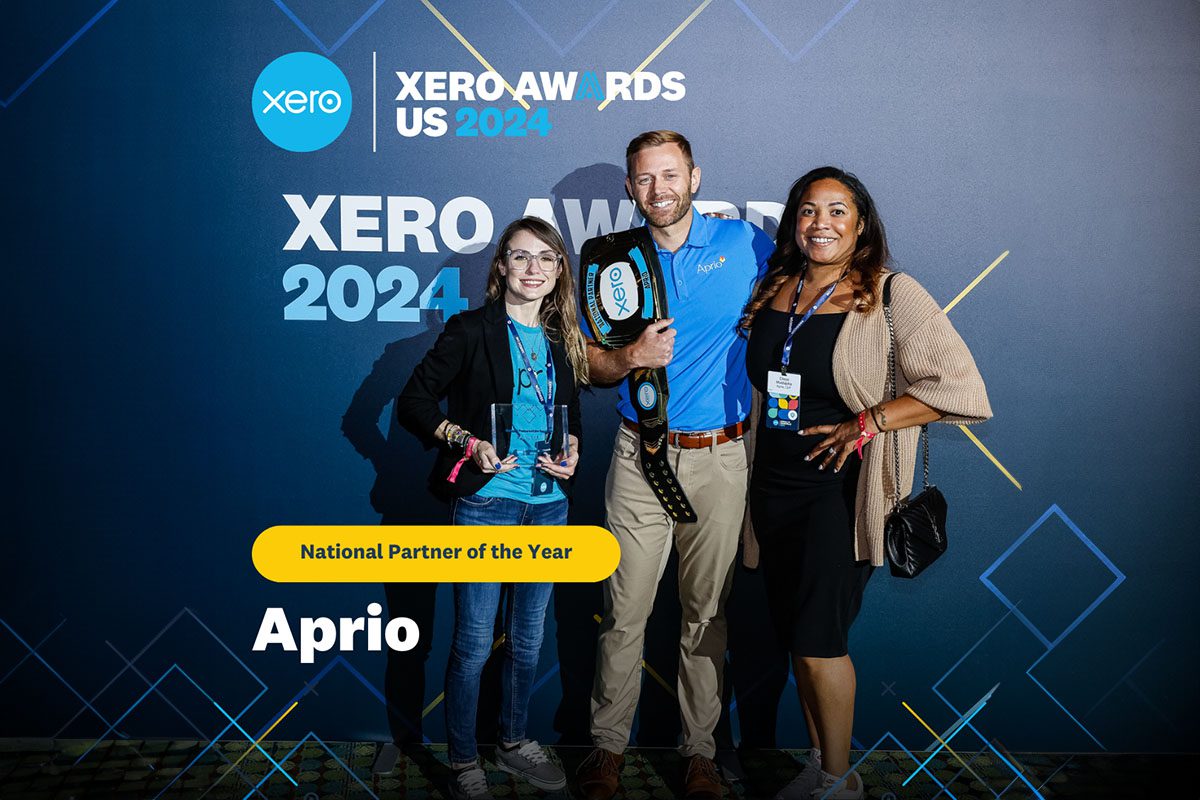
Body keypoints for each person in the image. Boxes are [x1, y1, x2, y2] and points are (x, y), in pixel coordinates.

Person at [740, 167, 992, 799]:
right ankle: (820, 765)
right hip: (769, 486)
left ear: (861, 223)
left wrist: (868, 421)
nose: (819, 223)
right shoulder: (777, 285)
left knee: (820, 638)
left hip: (841, 491)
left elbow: (960, 390)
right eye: (807, 210)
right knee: (799, 639)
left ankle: (837, 779)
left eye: (837, 211)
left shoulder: (890, 292)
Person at [576, 130, 774, 800]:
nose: (657, 190)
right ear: (630, 189)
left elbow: (800, 313)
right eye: (643, 179)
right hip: (640, 455)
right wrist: (629, 359)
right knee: (623, 612)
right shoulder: (609, 259)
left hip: (721, 457)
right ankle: (605, 751)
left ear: (694, 176)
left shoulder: (747, 244)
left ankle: (700, 755)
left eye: (669, 175)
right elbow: (593, 367)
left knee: (705, 617)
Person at [395, 217, 587, 800]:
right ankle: (461, 762)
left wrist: (573, 450)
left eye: (546, 259)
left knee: (528, 641)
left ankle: (510, 742)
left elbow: (570, 418)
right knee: (475, 643)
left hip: (548, 506)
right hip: (485, 505)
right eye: (521, 257)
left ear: (559, 273)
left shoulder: (561, 340)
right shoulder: (471, 329)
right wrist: (465, 441)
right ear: (501, 265)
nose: (534, 269)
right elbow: (413, 402)